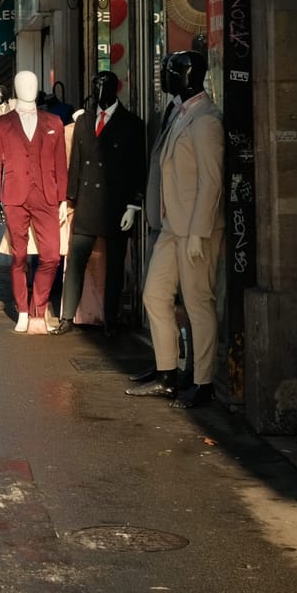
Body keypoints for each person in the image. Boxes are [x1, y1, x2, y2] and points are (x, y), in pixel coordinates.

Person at [126, 50, 224, 408]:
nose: (165, 76)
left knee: (199, 304)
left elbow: (211, 182)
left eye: (169, 70)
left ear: (187, 75)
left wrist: (199, 231)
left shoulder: (206, 119)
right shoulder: (180, 114)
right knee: (154, 295)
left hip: (195, 228)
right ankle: (166, 373)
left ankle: (204, 382)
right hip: (171, 226)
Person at [52, 69, 144, 335]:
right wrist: (67, 200)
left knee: (114, 266)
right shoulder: (84, 121)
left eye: (104, 85)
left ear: (115, 89)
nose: (98, 90)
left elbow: (137, 166)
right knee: (77, 258)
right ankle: (67, 316)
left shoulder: (132, 124)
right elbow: (77, 164)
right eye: (95, 85)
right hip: (87, 203)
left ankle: (111, 320)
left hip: (116, 204)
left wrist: (133, 205)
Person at [0, 69, 67, 333]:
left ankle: (39, 307)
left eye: (32, 83)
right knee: (19, 256)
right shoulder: (1, 124)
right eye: (23, 84)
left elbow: (60, 164)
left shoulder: (53, 122)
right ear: (16, 89)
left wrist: (63, 199)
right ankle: (23, 310)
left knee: (51, 256)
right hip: (15, 196)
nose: (28, 88)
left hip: (47, 196)